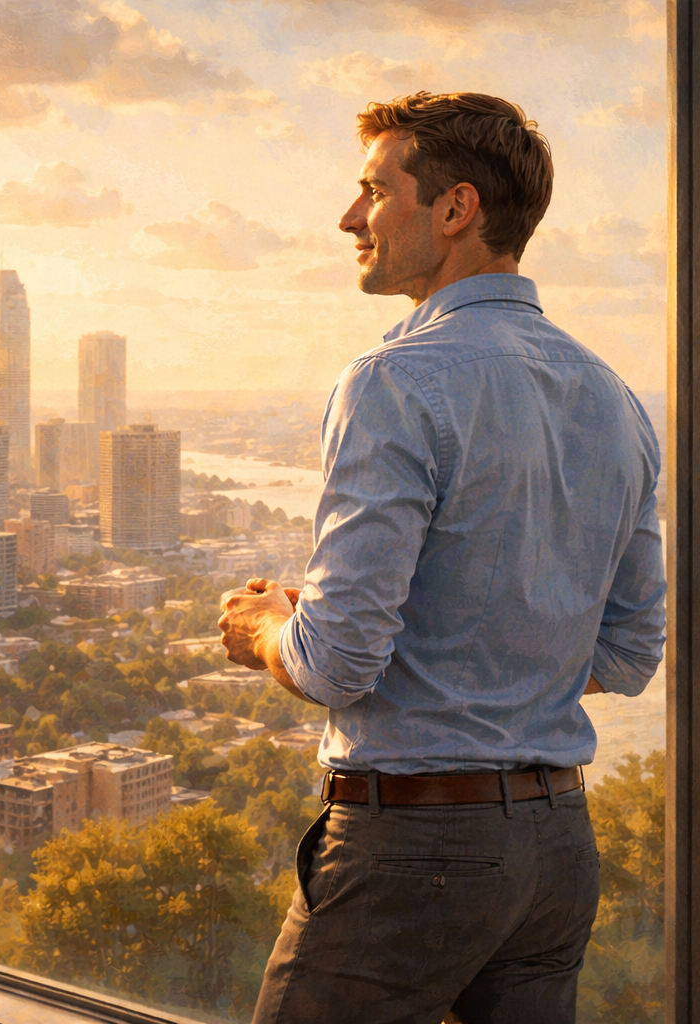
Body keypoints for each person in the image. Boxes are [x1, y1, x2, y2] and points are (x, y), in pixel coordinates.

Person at [218, 91, 666, 1024]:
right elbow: (628, 653)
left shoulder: (394, 380)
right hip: (557, 851)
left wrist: (267, 627)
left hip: (415, 851)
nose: (350, 217)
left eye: (375, 191)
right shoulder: (615, 398)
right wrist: (470, 662)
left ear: (456, 208)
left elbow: (336, 664)